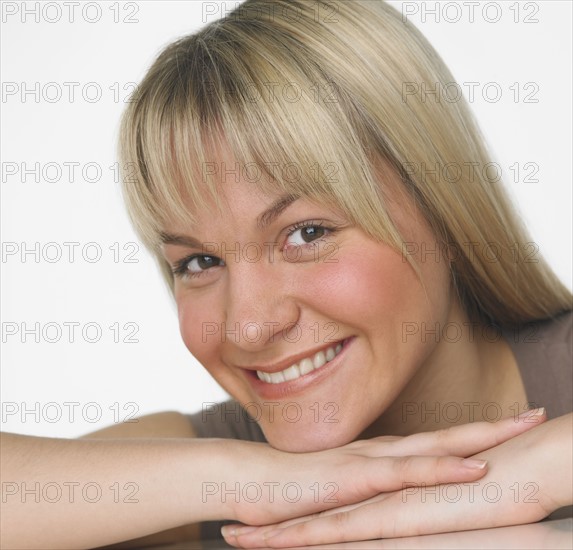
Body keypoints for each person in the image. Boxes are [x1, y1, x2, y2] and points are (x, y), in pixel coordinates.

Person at [1, 1, 571, 548]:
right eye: (200, 262)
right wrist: (236, 479)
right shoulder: (228, 472)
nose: (248, 327)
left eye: (306, 234)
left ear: (444, 207)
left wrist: (534, 470)